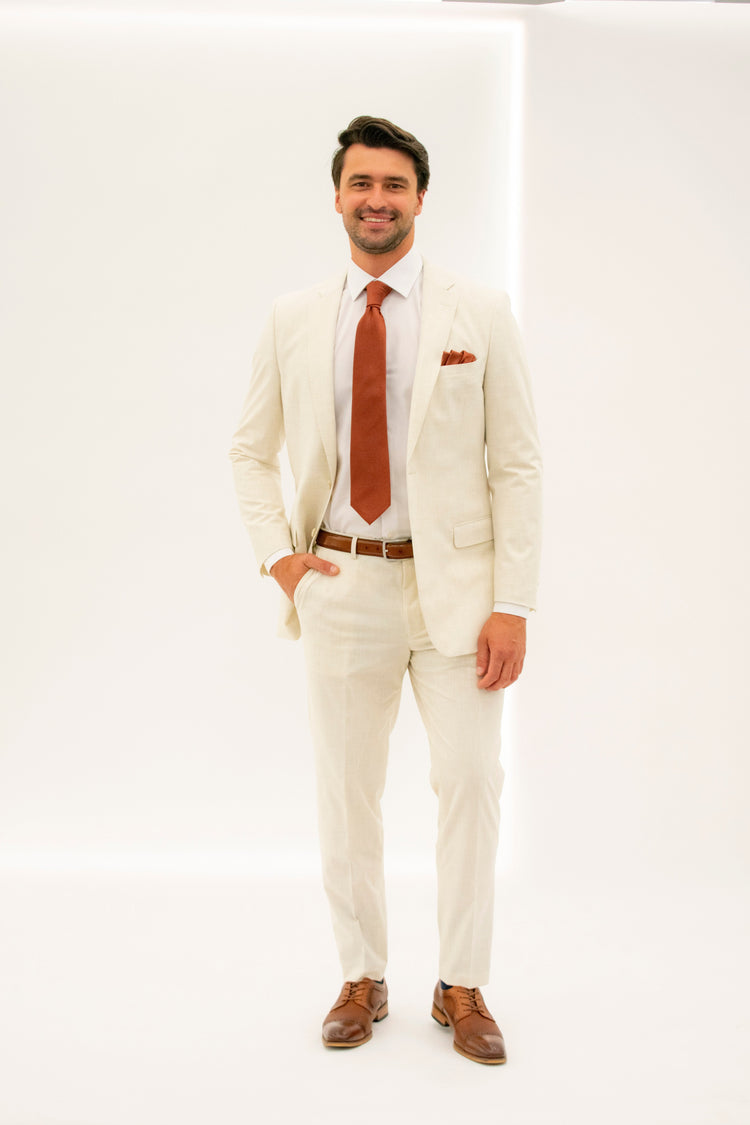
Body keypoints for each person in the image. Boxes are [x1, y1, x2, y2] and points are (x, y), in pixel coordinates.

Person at [230, 116, 542, 1066]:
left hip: (457, 594)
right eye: (361, 183)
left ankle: (462, 983)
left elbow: (518, 465)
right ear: (337, 196)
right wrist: (281, 559)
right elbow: (251, 450)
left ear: (419, 197)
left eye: (394, 185)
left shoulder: (477, 312)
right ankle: (361, 973)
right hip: (341, 586)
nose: (377, 200)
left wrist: (513, 601)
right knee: (348, 791)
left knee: (472, 784)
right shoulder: (293, 316)